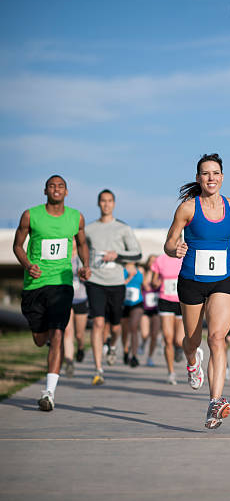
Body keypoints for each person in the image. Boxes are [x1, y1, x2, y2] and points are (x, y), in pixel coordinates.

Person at [164, 153, 230, 429]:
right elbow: (169, 242)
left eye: (215, 173)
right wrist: (174, 249)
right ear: (199, 178)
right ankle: (192, 362)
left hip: (221, 281)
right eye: (205, 173)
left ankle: (215, 402)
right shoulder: (188, 209)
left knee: (216, 338)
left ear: (222, 177)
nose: (211, 178)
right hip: (190, 281)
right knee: (191, 340)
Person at [13, 175, 90, 411]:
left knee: (58, 333)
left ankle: (49, 393)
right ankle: (46, 340)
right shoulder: (30, 215)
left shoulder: (76, 217)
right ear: (45, 190)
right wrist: (28, 265)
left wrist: (85, 265)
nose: (56, 189)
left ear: (66, 192)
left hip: (62, 282)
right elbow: (17, 245)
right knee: (40, 339)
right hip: (35, 284)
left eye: (61, 186)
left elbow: (83, 243)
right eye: (52, 186)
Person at [85, 189, 142, 385]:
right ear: (99, 203)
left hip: (117, 282)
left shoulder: (122, 228)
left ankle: (112, 345)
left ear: (114, 204)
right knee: (98, 323)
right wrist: (84, 267)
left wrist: (117, 255)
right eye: (103, 201)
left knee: (116, 326)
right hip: (95, 281)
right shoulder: (89, 229)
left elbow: (137, 254)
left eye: (109, 201)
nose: (106, 204)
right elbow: (82, 250)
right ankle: (98, 369)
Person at [151, 252, 184, 384]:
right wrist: (155, 282)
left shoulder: (186, 257)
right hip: (165, 300)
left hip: (182, 301)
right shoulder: (161, 259)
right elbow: (154, 281)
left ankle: (179, 348)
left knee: (178, 340)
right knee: (168, 338)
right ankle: (171, 372)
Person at [63, 238, 89, 377]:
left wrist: (84, 274)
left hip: (80, 298)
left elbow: (90, 275)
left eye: (73, 239)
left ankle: (80, 347)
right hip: (65, 299)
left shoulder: (82, 257)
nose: (71, 242)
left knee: (79, 334)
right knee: (67, 332)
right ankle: (69, 362)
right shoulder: (63, 257)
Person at [121, 262, 144, 367]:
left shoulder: (140, 270)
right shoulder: (121, 269)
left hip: (137, 302)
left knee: (134, 328)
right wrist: (130, 277)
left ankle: (134, 356)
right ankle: (126, 350)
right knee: (125, 330)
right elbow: (119, 284)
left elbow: (145, 285)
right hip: (124, 303)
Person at [140, 254, 161, 367]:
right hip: (145, 307)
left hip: (156, 308)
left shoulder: (160, 275)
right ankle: (143, 343)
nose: (153, 263)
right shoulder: (144, 273)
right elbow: (146, 285)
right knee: (144, 334)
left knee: (154, 334)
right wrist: (150, 272)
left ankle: (150, 357)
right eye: (151, 261)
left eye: (155, 261)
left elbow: (157, 284)